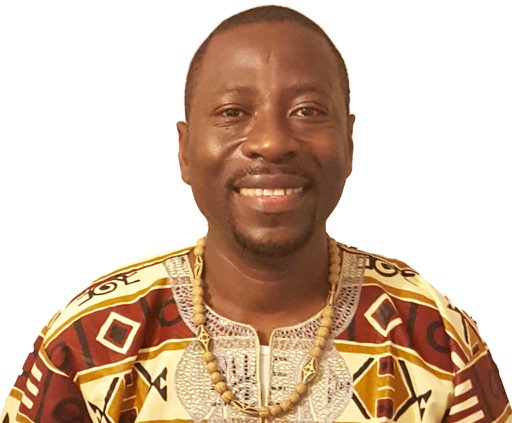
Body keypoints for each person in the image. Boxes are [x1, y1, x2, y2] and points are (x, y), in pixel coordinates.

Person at [1, 5, 510, 423]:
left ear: (349, 144)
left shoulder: (435, 340)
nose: (271, 141)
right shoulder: (88, 344)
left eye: (308, 111)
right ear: (184, 150)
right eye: (232, 113)